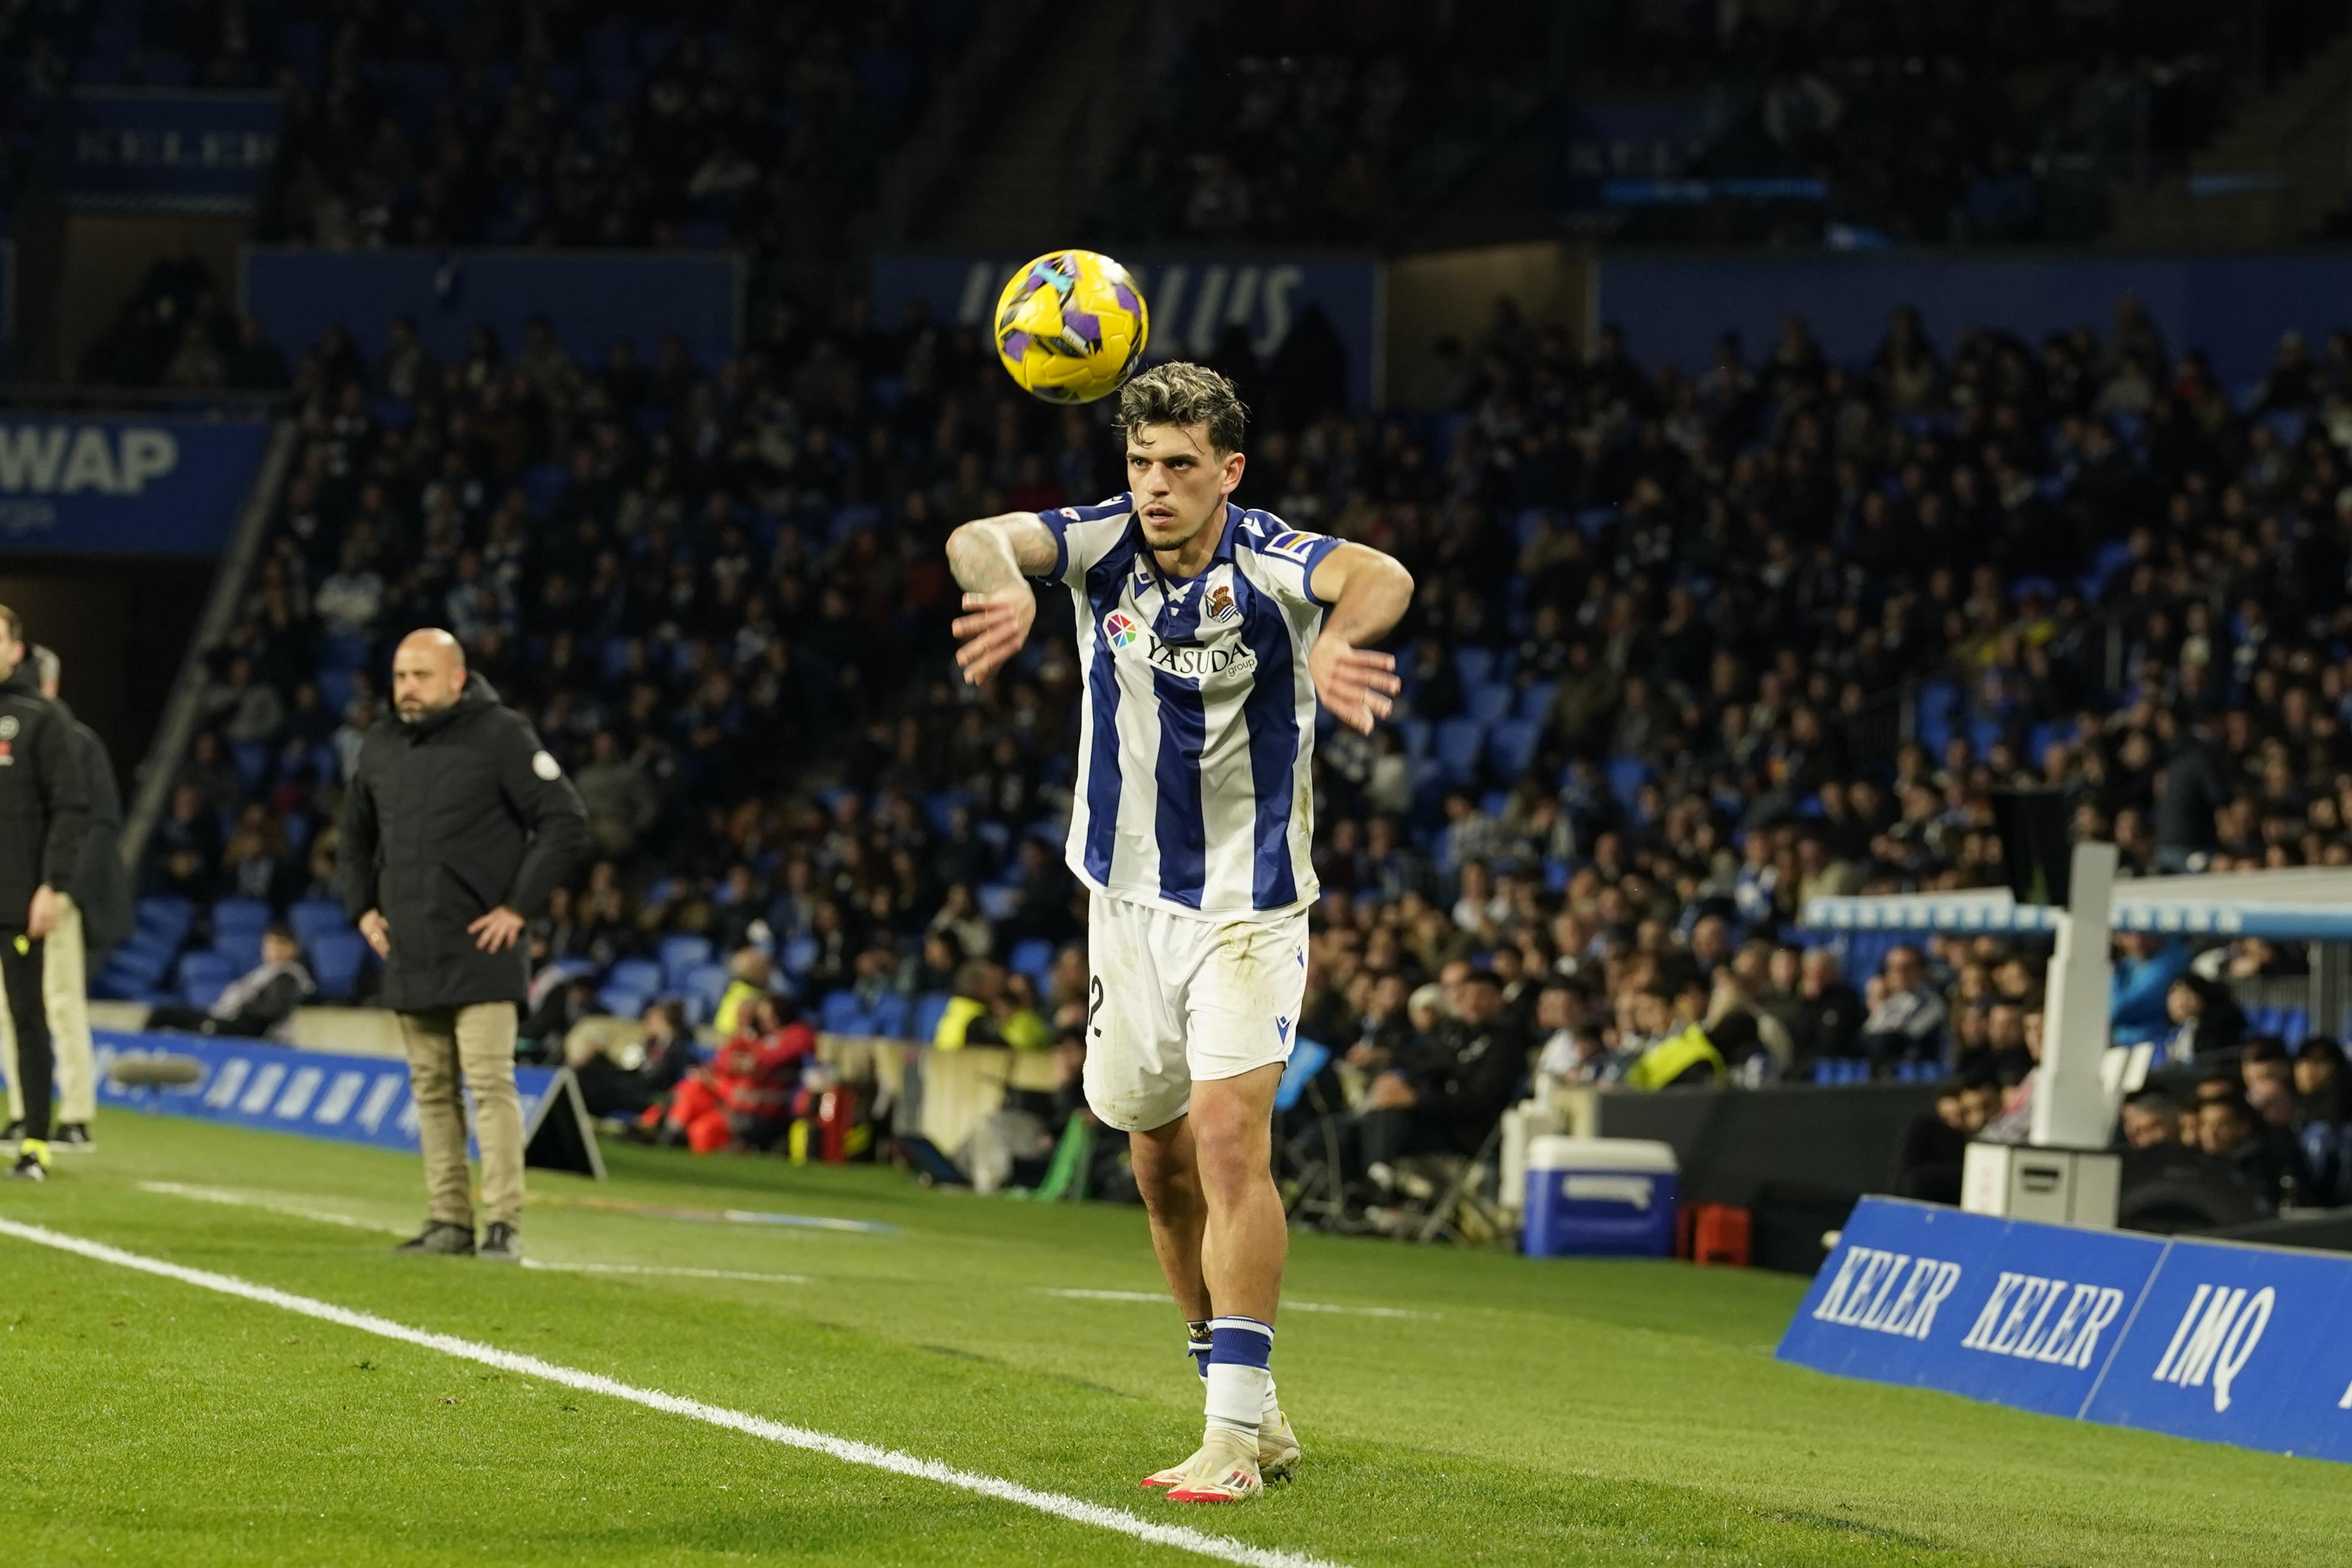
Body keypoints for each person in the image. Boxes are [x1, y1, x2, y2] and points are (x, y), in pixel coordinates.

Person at [946, 361, 1413, 1502]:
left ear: (1228, 471)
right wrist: (1003, 580)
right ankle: (1249, 1403)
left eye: (1180, 466)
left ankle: (1228, 1438)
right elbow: (975, 534)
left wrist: (1341, 635)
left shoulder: (1270, 556)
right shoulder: (1100, 543)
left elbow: (1380, 570)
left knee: (1224, 1135)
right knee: (1155, 1164)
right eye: (1141, 463)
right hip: (1124, 905)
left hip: (1250, 909)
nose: (1155, 486)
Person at [340, 628, 588, 1262]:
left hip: (481, 948)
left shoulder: (500, 734)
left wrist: (518, 908)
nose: (407, 689)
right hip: (411, 948)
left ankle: (502, 1222)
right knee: (430, 1088)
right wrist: (362, 908)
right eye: (399, 676)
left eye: (421, 676)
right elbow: (354, 836)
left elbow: (564, 818)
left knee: (489, 1083)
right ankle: (448, 1218)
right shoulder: (381, 744)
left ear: (458, 677)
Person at [0, 645, 126, 1151]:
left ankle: (75, 1113)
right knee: (13, 1005)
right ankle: (23, 1109)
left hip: (55, 892)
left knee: (59, 999)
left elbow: (95, 820)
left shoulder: (75, 740)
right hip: (16, 889)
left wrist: (62, 887)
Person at [0, 608, 91, 1180]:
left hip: (16, 898)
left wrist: (52, 885)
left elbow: (71, 808)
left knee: (29, 1017)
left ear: (16, 649)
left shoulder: (43, 717)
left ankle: (35, 1141)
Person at [145, 926, 313, 1039]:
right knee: (161, 1014)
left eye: (281, 946)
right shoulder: (263, 972)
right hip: (224, 1017)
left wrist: (242, 1009)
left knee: (204, 1029)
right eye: (270, 945)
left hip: (241, 1028)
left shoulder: (288, 975)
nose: (275, 951)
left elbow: (271, 1010)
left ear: (293, 949)